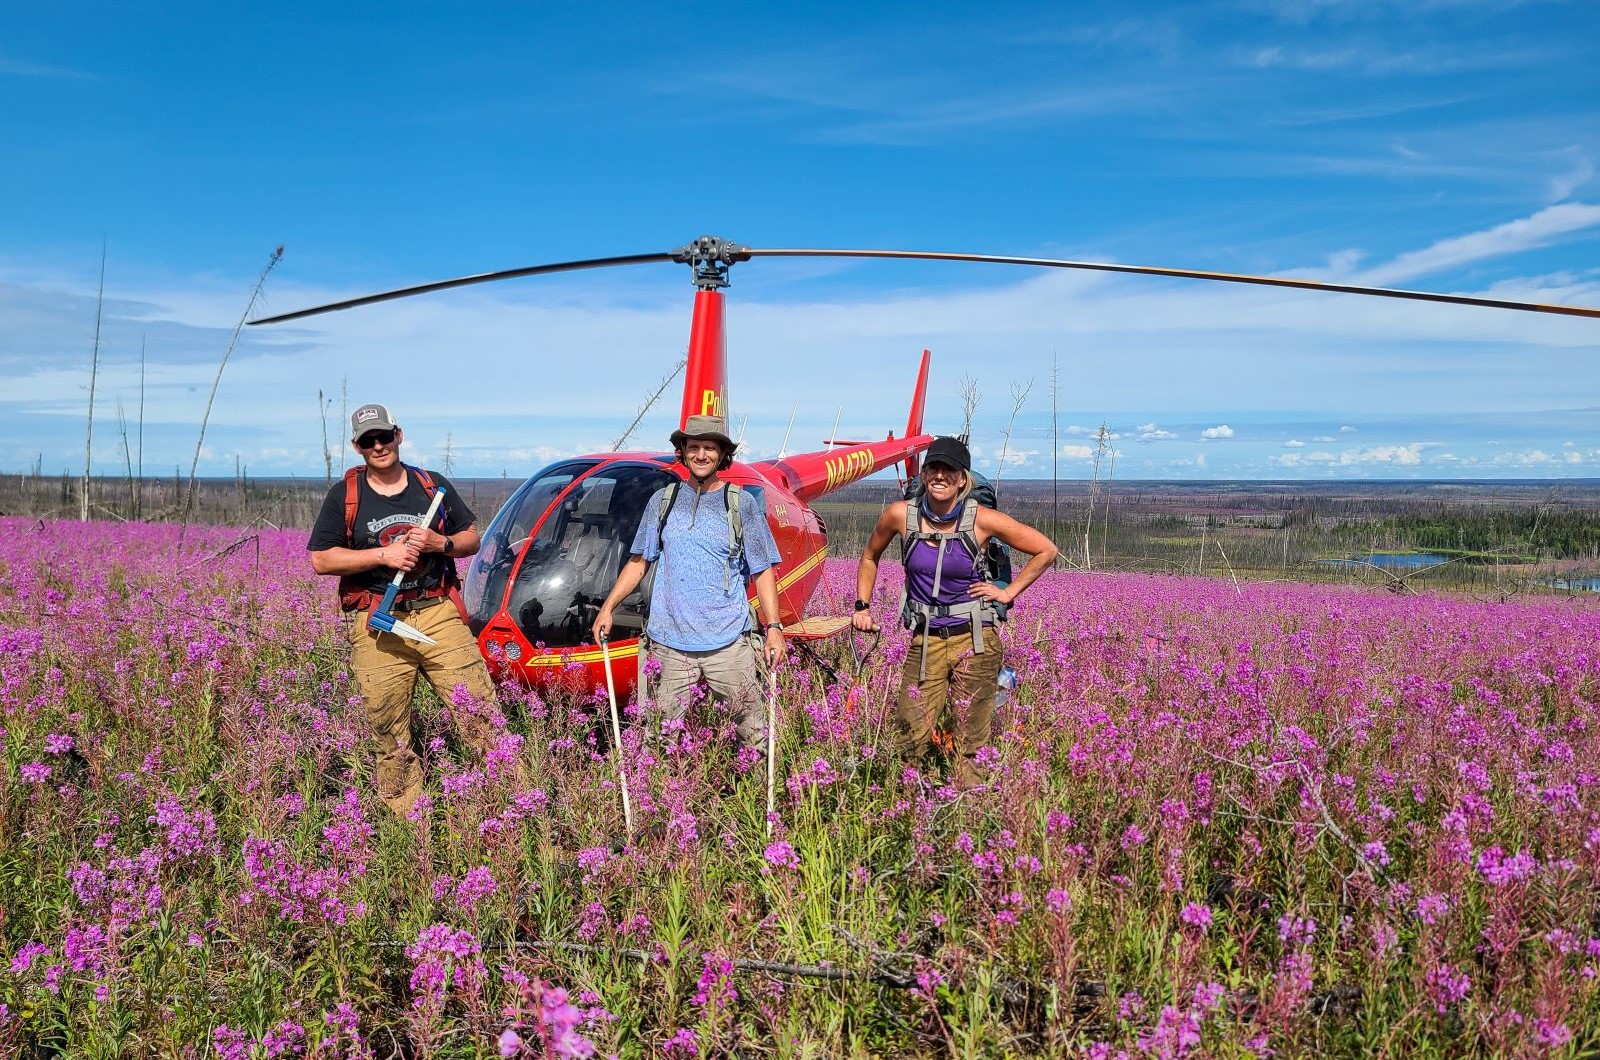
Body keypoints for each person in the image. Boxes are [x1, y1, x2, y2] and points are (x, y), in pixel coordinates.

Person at [307, 403, 497, 814]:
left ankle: (505, 803)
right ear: (357, 447)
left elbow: (470, 538)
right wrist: (384, 556)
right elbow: (322, 559)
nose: (378, 446)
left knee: (479, 711)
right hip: (378, 621)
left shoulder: (431, 485)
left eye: (384, 436)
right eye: (368, 441)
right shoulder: (346, 495)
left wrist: (438, 544)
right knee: (389, 731)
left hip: (437, 611)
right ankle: (412, 824)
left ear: (398, 434)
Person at [851, 435, 1058, 788]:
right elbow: (870, 555)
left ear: (963, 479)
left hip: (975, 640)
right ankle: (909, 805)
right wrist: (862, 606)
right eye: (934, 468)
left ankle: (968, 808)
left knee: (971, 739)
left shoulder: (983, 520)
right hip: (925, 640)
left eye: (950, 470)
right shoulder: (901, 515)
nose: (940, 476)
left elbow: (1046, 550)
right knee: (909, 733)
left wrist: (1007, 592)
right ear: (925, 474)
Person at [591, 415, 785, 750]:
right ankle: (662, 800)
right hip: (668, 645)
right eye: (693, 447)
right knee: (659, 736)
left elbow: (763, 569)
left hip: (728, 643)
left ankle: (756, 798)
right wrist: (607, 608)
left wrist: (775, 628)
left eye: (710, 447)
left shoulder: (741, 505)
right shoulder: (662, 502)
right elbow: (639, 561)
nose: (701, 454)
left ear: (722, 454)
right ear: (682, 451)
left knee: (753, 733)